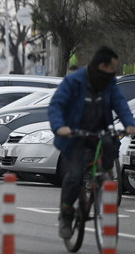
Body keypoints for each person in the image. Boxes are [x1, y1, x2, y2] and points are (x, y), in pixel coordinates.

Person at [48, 46, 135, 239]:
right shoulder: (74, 81)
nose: (114, 72)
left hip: (99, 132)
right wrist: (59, 126)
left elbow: (120, 104)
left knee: (109, 145)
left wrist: (130, 124)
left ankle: (102, 175)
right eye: (112, 68)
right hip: (75, 135)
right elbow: (56, 105)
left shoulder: (109, 83)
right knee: (75, 175)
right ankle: (66, 214)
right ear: (102, 66)